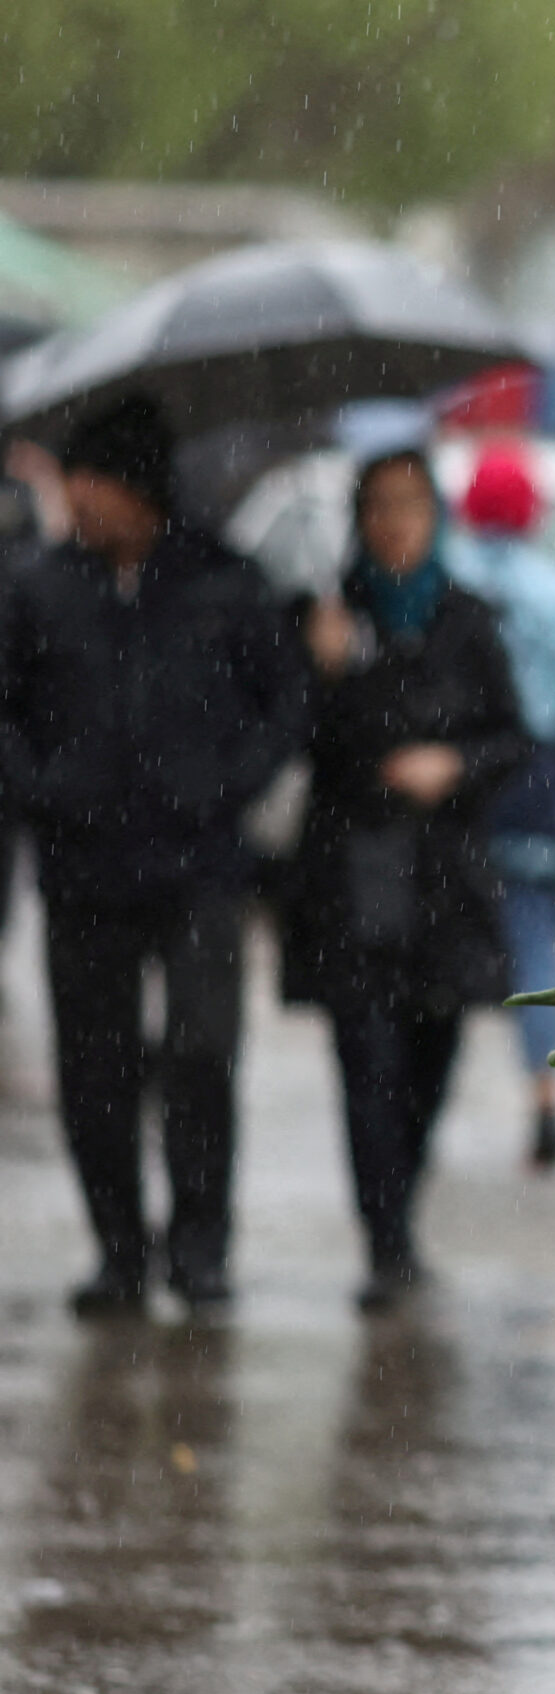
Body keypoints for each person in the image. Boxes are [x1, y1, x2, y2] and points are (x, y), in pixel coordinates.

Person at [0, 396, 308, 1314]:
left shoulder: (225, 582)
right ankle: (118, 1252)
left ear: (136, 490)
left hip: (201, 870)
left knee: (202, 1053)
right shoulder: (37, 586)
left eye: (86, 483)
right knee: (93, 1068)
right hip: (82, 870)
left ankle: (201, 1248)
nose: (73, 503)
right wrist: (47, 788)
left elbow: (285, 702)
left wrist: (229, 787)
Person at [281, 446, 529, 1311]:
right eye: (380, 505)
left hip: (445, 881)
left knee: (430, 1055)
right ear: (359, 516)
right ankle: (384, 1241)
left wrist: (453, 761)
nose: (396, 522)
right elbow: (294, 741)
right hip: (352, 878)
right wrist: (319, 668)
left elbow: (514, 738)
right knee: (367, 1060)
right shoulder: (327, 615)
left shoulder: (466, 617)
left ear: (436, 516)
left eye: (412, 504)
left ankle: (401, 1205)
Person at [445, 441, 555, 1170]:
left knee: (441, 943)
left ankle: (425, 1106)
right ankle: (545, 1097)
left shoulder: (449, 577)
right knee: (535, 942)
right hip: (535, 778)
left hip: (460, 779)